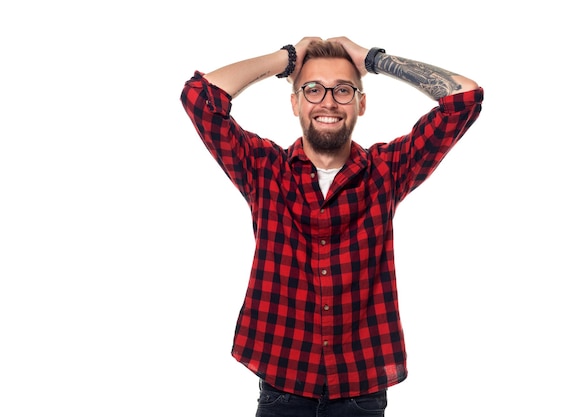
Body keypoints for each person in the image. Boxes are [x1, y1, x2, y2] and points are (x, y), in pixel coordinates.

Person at [180, 36, 483, 417]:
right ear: (295, 103)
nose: (328, 101)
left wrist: (372, 60)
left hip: (361, 391)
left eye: (342, 90)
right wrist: (286, 59)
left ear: (361, 103)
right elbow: (199, 97)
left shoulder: (387, 171)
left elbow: (464, 99)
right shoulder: (263, 169)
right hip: (282, 387)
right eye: (312, 90)